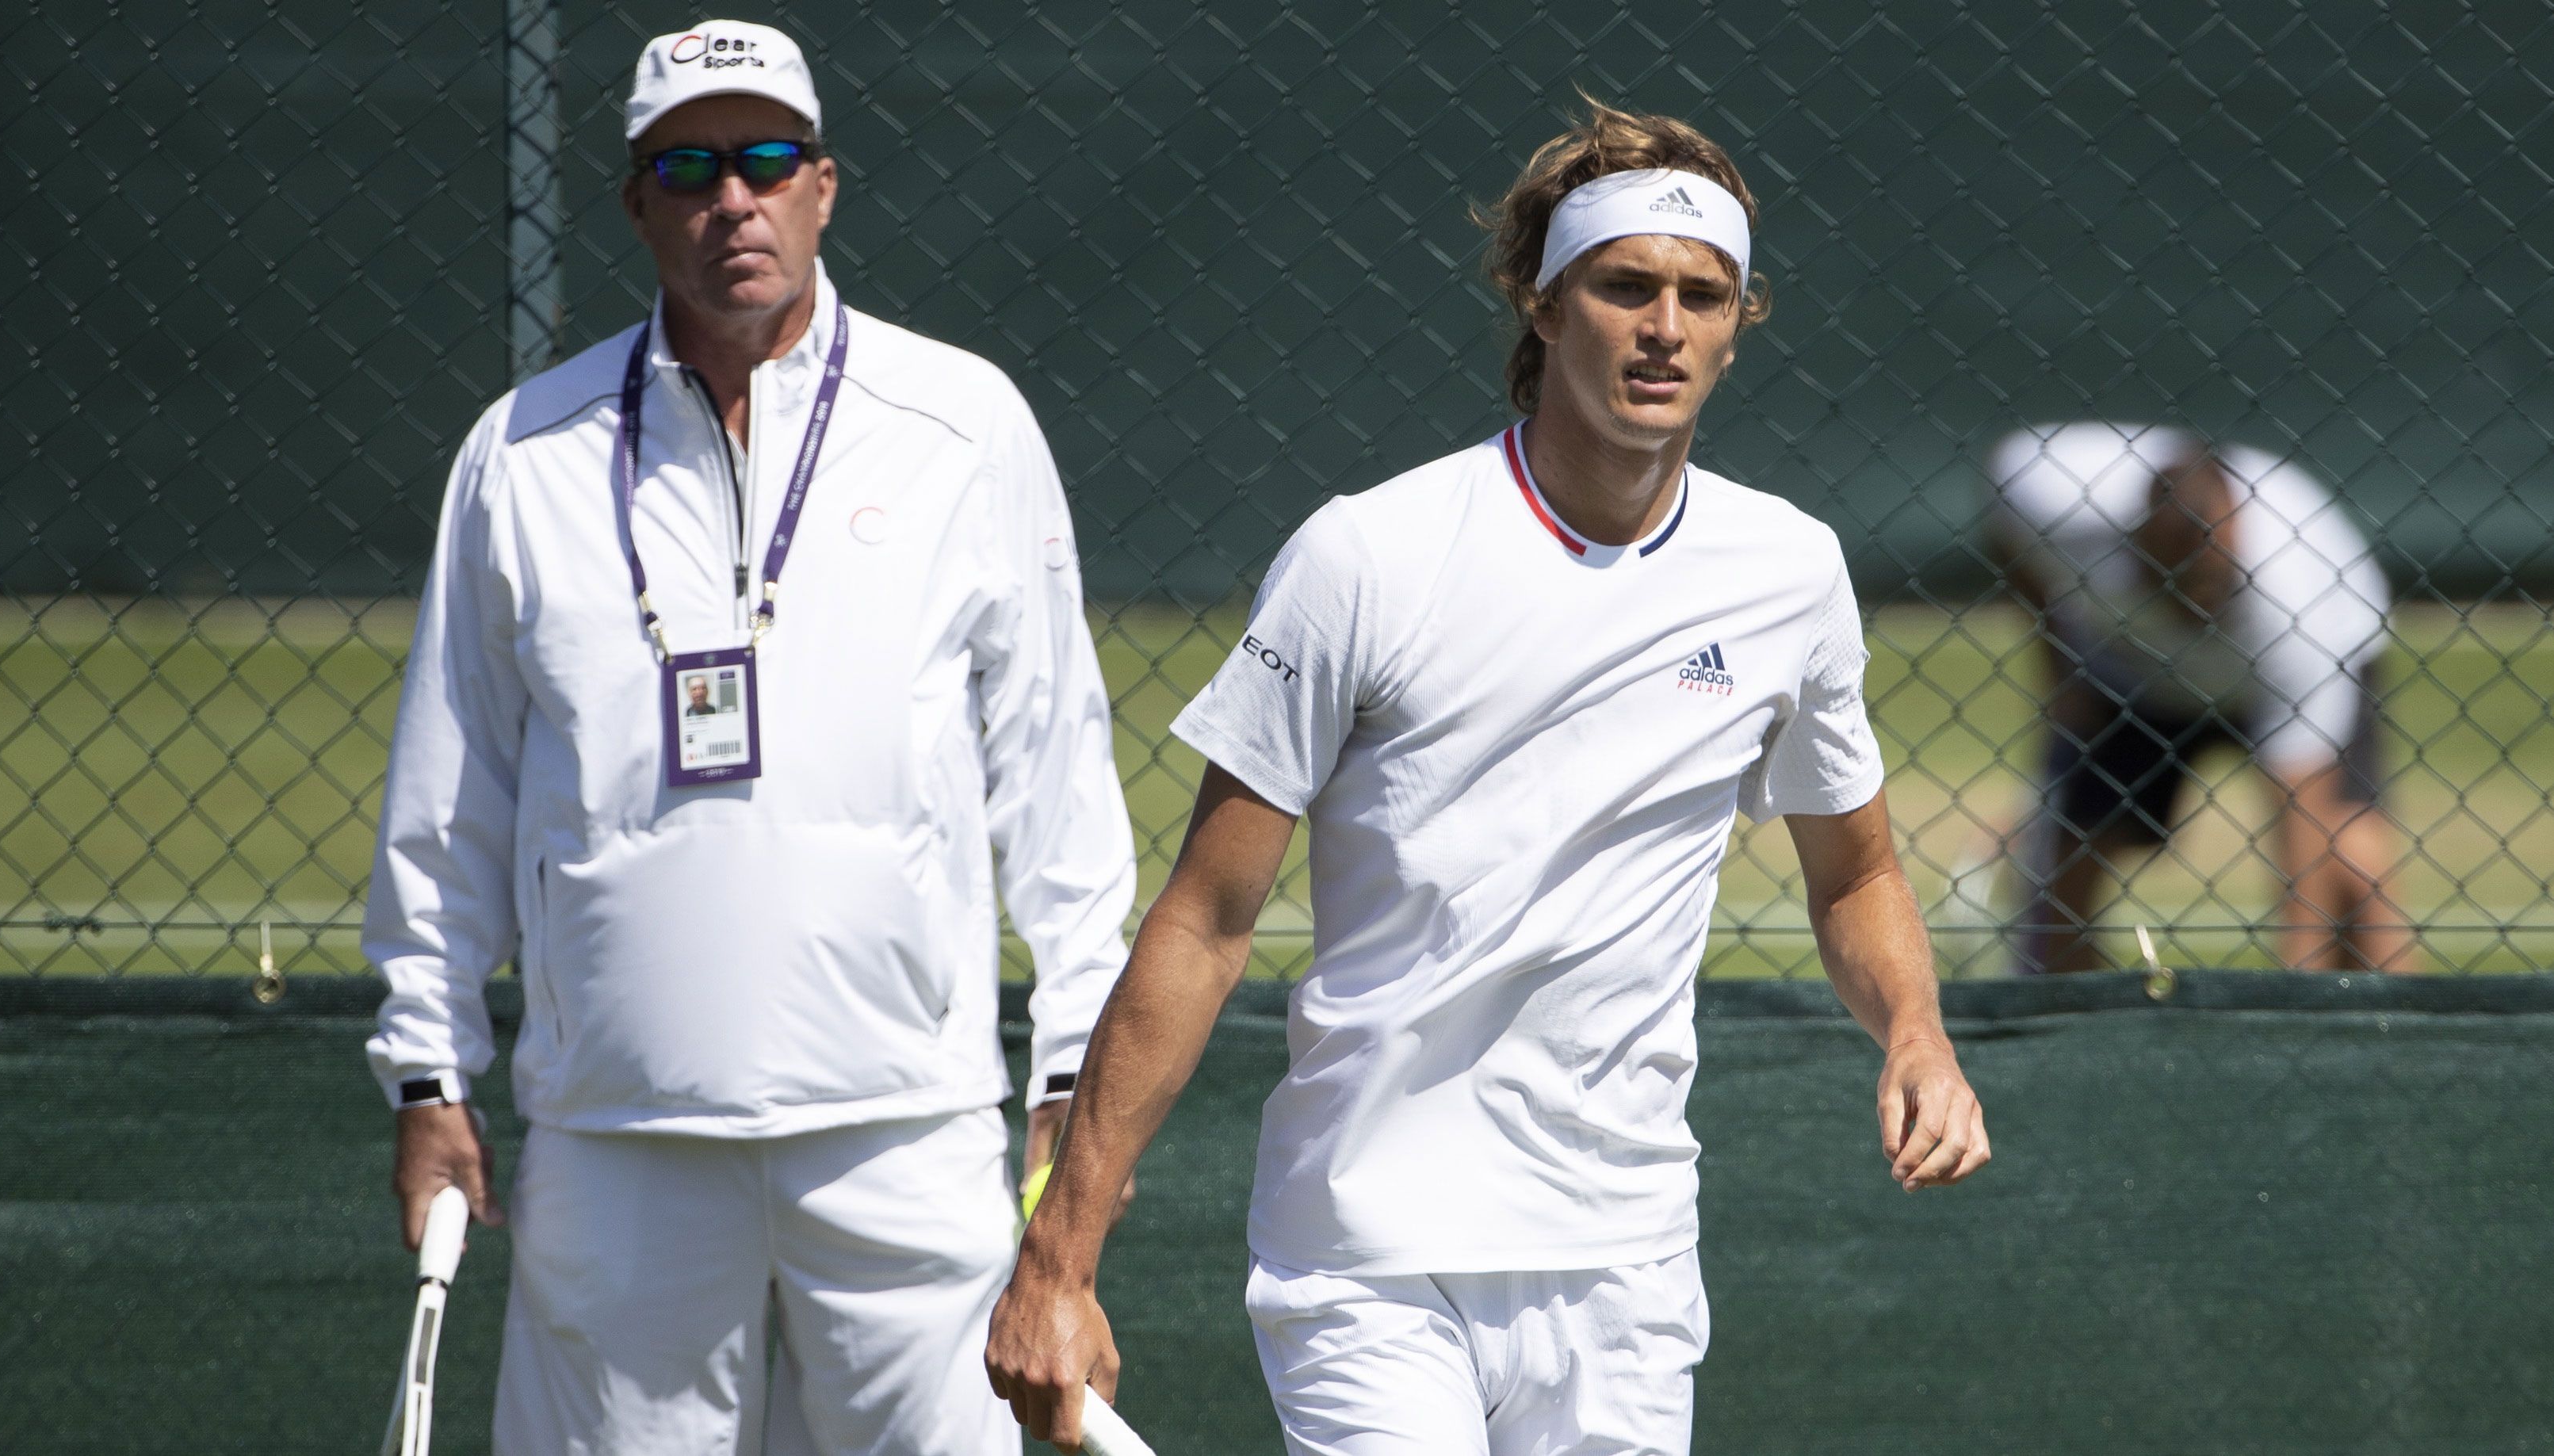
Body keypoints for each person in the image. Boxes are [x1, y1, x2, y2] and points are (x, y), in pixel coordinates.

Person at [986, 101, 1990, 1455]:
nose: (1664, 327)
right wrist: (1060, 1253)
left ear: (1743, 318)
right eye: (1625, 285)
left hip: (1626, 1263)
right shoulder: (1366, 557)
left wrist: (1916, 1033)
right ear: (1541, 297)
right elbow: (1207, 918)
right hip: (1366, 1253)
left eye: (1703, 295)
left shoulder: (1790, 574)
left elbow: (1855, 868)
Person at [361, 20, 1136, 1454]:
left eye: (769, 159)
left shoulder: (962, 421)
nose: (735, 198)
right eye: (692, 165)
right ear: (638, 200)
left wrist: (1072, 1076)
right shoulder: (519, 450)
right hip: (618, 1132)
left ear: (824, 186)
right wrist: (429, 1072)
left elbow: (1057, 774)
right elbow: (447, 789)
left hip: (908, 1122)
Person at [1986, 422, 2411, 973]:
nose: (2200, 608)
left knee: (2352, 862)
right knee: (2064, 867)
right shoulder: (2050, 492)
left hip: (2284, 672)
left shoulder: (2301, 605)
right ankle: (2056, 1035)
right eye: (2180, 589)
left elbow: (2300, 833)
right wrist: (2058, 660)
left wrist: (2294, 1007)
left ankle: (2391, 1041)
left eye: (2212, 588)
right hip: (2135, 673)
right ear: (2135, 548)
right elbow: (2006, 531)